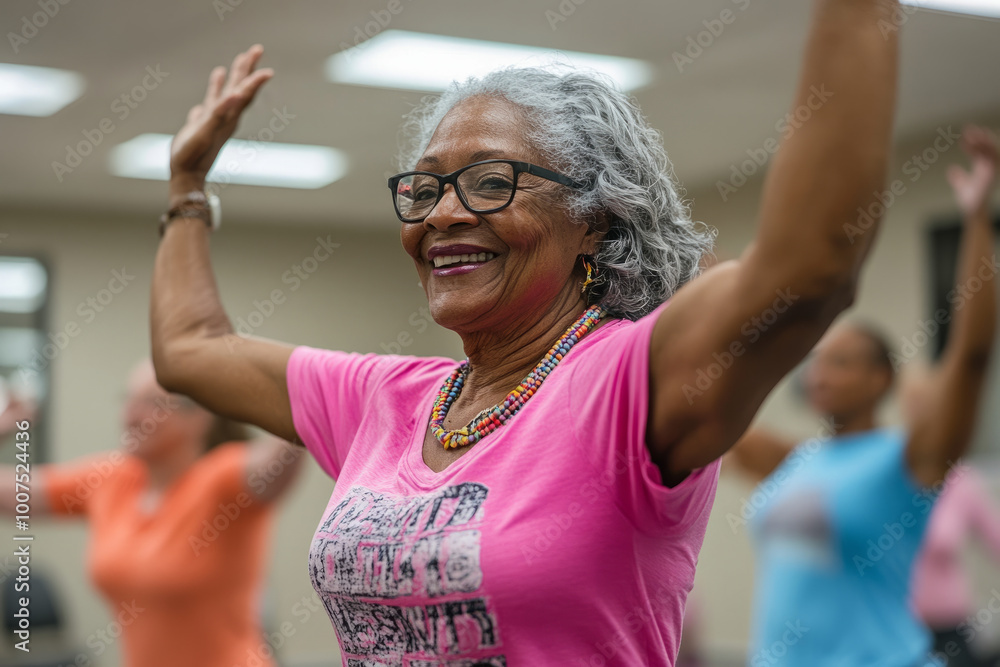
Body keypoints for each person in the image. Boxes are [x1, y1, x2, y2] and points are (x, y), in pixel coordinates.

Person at [150, 0, 901, 663]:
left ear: (592, 221)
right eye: (426, 187)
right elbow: (191, 352)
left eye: (490, 182)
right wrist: (186, 189)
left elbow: (811, 268)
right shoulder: (386, 400)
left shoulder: (624, 383)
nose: (442, 213)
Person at [728, 126, 999, 666]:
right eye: (818, 362)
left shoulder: (908, 460)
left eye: (843, 362)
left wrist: (976, 217)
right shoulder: (795, 461)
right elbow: (716, 395)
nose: (821, 374)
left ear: (881, 380)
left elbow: (970, 358)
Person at [0, 360, 304, 667]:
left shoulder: (221, 480)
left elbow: (280, 456)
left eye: (150, 404)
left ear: (198, 417)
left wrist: (301, 390)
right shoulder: (109, 479)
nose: (130, 416)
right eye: (128, 400)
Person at [903, 364, 1000, 667]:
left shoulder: (961, 482)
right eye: (915, 404)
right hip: (893, 628)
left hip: (948, 630)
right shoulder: (885, 477)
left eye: (932, 405)